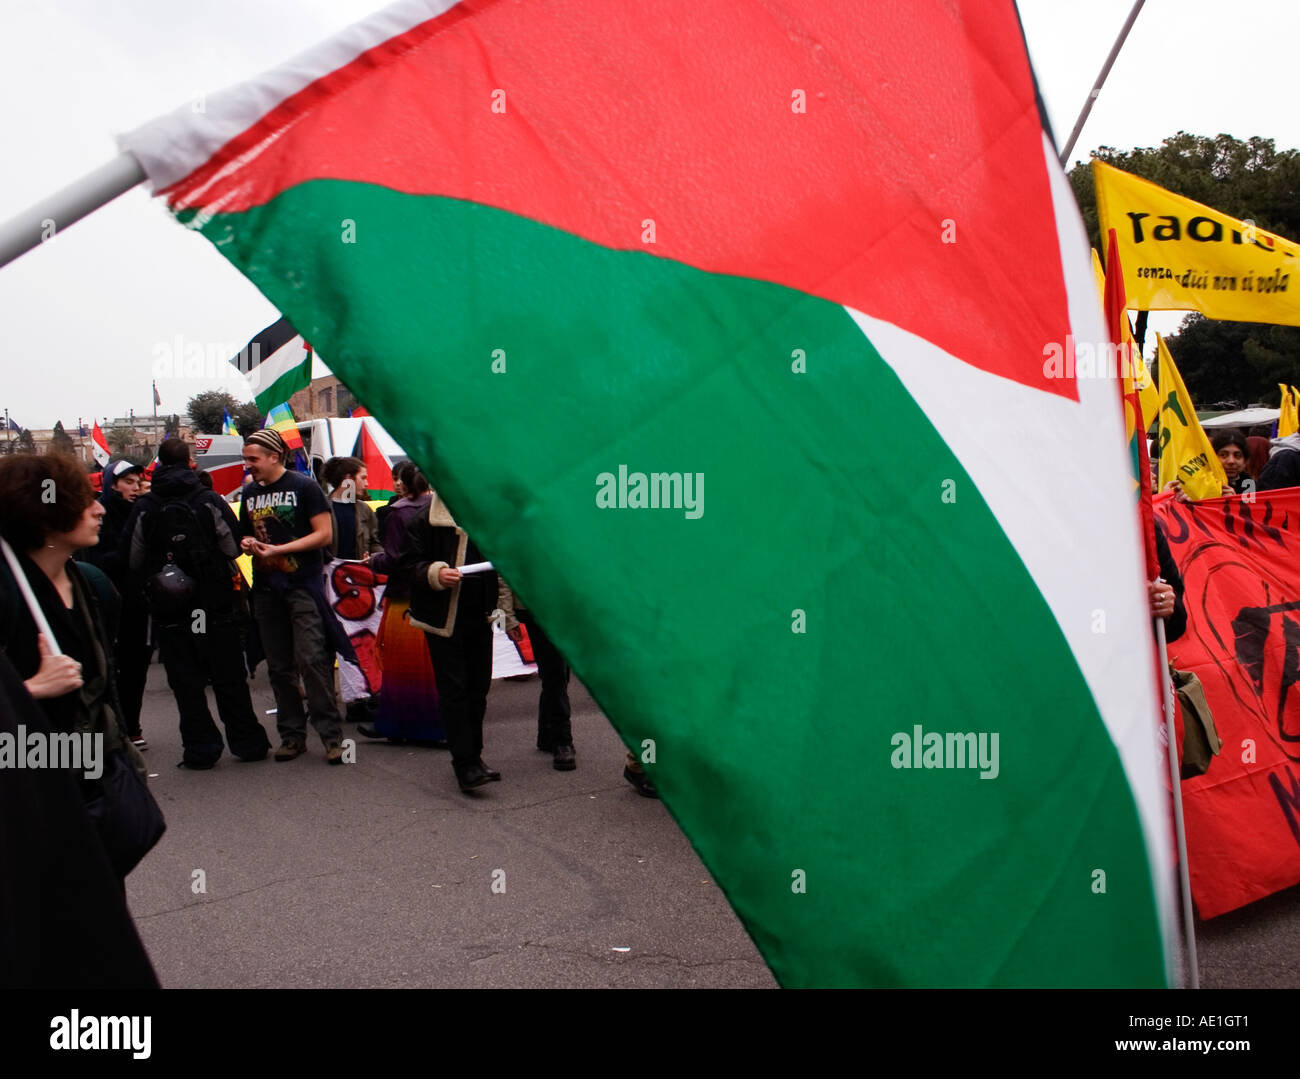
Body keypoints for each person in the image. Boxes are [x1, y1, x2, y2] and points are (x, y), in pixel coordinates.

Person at [0, 454, 153, 873]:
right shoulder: (7, 591)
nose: (100, 508)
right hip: (27, 789)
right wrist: (30, 688)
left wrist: (124, 767)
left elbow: (105, 689)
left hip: (90, 784)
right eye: (84, 500)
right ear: (43, 511)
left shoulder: (93, 585)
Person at [123, 438, 272, 769]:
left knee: (185, 682)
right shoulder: (208, 500)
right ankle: (248, 743)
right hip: (215, 603)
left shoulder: (145, 506)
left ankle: (200, 749)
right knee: (228, 677)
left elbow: (131, 558)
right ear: (190, 462)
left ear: (159, 464)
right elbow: (233, 547)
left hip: (170, 609)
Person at [237, 429, 347, 765]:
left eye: (253, 459)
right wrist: (247, 543)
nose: (248, 465)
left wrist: (281, 549)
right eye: (245, 459)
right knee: (280, 667)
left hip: (302, 586)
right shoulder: (250, 491)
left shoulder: (304, 487)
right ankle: (292, 736)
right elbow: (245, 531)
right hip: (267, 590)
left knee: (312, 659)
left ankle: (332, 737)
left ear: (274, 456)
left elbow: (324, 535)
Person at [398, 490, 499, 791]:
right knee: (454, 691)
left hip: (480, 616)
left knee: (478, 689)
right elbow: (406, 565)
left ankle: (475, 758)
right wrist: (435, 573)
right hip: (444, 619)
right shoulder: (423, 519)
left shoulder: (486, 514)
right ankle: (464, 765)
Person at [359, 462, 443, 744]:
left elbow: (395, 559)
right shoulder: (441, 508)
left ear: (404, 484)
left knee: (400, 667)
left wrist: (372, 560)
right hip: (438, 595)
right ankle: (439, 727)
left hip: (405, 598)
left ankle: (397, 725)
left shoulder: (399, 513)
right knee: (433, 666)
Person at [79, 458, 151, 751]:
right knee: (109, 668)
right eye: (127, 482)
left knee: (136, 667)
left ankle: (131, 726)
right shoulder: (101, 519)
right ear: (112, 485)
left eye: (137, 482)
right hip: (108, 605)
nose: (135, 488)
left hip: (139, 604)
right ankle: (112, 728)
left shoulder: (141, 512)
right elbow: (102, 562)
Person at [496, 584, 576, 770]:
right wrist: (506, 617)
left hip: (566, 604)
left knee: (558, 672)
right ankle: (562, 740)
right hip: (537, 605)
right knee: (555, 673)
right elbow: (504, 571)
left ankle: (548, 734)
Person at [321, 456, 383, 563]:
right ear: (348, 478)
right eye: (363, 478)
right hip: (328, 574)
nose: (366, 484)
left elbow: (375, 543)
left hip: (358, 574)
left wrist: (375, 558)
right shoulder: (321, 507)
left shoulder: (365, 509)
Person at [1211, 430, 1252, 495]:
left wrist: (1234, 502)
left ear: (1245, 461)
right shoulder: (1201, 487)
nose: (1231, 461)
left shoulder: (1252, 487)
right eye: (1223, 455)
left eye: (1237, 455)